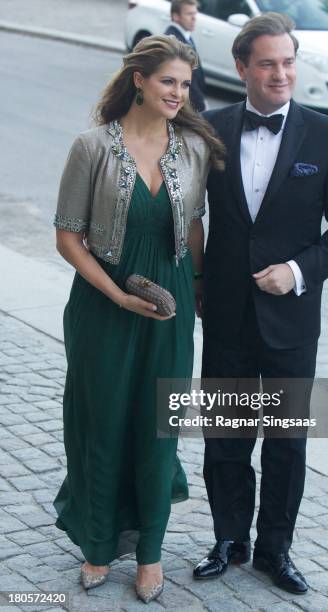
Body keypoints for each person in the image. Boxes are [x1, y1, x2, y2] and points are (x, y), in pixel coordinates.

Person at [193, 13, 328, 594]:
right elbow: (185, 213)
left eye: (288, 62)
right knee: (227, 435)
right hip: (224, 314)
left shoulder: (327, 135)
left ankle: (276, 550)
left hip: (291, 318)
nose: (280, 73)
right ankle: (227, 539)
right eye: (267, 63)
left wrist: (296, 271)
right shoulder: (209, 129)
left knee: (287, 442)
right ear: (241, 67)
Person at [52, 35, 224, 604]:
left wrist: (197, 288)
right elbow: (68, 238)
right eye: (168, 81)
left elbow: (194, 226)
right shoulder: (92, 147)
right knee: (99, 423)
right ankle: (98, 544)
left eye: (185, 83)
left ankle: (150, 553)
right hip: (103, 304)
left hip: (169, 305)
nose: (179, 92)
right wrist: (118, 296)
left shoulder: (194, 148)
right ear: (140, 82)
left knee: (159, 427)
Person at [165, 0, 206, 112]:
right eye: (189, 14)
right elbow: (186, 78)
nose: (194, 18)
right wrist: (201, 105)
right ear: (175, 16)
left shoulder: (186, 36)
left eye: (195, 14)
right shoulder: (174, 41)